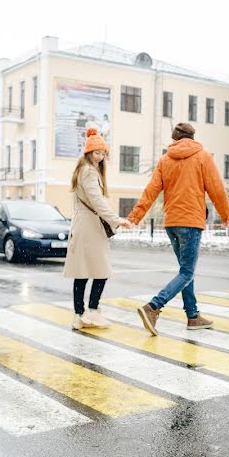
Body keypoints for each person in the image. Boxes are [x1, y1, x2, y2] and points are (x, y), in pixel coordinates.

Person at [127, 122, 229, 335]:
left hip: (172, 223)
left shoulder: (165, 159)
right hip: (191, 222)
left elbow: (151, 191)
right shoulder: (203, 156)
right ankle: (153, 307)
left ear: (175, 139)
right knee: (186, 272)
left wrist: (135, 216)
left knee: (185, 272)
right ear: (192, 137)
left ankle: (192, 316)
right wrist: (225, 215)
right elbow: (216, 188)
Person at [63, 128, 132, 329]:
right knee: (100, 270)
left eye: (103, 153)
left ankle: (81, 314)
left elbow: (93, 201)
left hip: (85, 224)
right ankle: (90, 311)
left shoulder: (82, 170)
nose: (100, 157)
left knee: (84, 271)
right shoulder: (89, 171)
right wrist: (117, 220)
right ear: (89, 152)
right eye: (97, 153)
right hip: (89, 226)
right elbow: (97, 201)